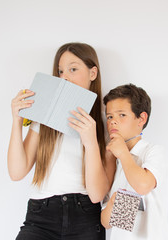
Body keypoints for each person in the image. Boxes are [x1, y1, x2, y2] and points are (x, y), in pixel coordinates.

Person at [8, 42, 112, 240]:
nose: (64, 77)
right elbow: (16, 172)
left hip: (85, 217)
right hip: (41, 217)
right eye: (61, 71)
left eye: (73, 69)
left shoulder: (105, 125)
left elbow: (97, 195)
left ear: (93, 73)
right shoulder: (45, 119)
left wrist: (90, 142)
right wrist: (16, 121)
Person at [101, 84, 168, 239]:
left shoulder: (153, 152)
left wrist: (123, 153)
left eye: (122, 115)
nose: (113, 122)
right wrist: (113, 204)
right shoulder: (115, 162)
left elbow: (143, 186)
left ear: (141, 119)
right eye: (110, 116)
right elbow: (106, 222)